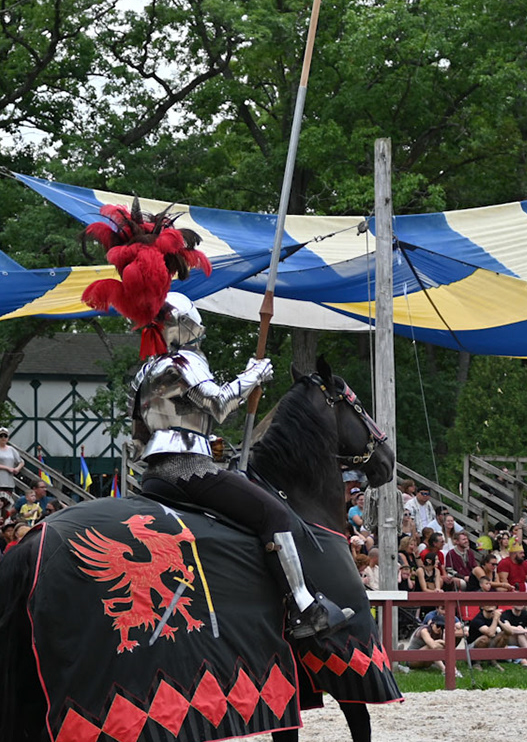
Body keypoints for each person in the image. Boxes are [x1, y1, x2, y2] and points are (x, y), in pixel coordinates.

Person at [78, 203, 353, 639]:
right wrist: (253, 375)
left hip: (154, 476)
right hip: (191, 471)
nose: (200, 330)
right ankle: (304, 607)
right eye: (197, 324)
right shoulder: (186, 360)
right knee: (275, 514)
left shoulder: (146, 371)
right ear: (185, 326)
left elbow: (138, 436)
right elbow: (220, 405)